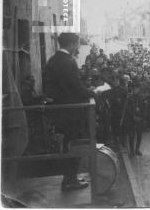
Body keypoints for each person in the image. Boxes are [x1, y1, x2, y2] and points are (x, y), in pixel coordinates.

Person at [44, 33, 94, 191]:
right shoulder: (68, 61)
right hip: (70, 112)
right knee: (73, 146)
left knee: (68, 146)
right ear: (72, 44)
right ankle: (70, 181)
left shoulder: (53, 60)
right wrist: (92, 92)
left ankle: (70, 178)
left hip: (61, 110)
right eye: (77, 44)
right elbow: (75, 87)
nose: (78, 47)